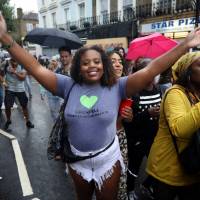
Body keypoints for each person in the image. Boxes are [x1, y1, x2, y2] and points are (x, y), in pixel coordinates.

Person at [1, 13, 200, 199]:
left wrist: (185, 46)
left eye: (97, 61)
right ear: (78, 66)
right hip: (77, 160)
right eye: (86, 62)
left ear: (104, 65)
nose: (92, 65)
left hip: (107, 160)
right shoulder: (66, 85)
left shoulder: (118, 86)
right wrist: (4, 36)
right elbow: (34, 67)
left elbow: (151, 70)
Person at [146, 52, 200, 200]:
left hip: (193, 171)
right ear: (187, 71)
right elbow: (179, 129)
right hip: (168, 170)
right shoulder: (175, 93)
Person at [124, 58, 162, 200]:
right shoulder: (134, 93)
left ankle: (146, 186)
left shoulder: (159, 89)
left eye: (155, 71)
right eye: (148, 71)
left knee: (157, 166)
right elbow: (128, 122)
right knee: (134, 168)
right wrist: (147, 113)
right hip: (137, 139)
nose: (152, 75)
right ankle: (130, 191)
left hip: (155, 137)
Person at [107, 50, 133, 200]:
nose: (118, 65)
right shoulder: (99, 89)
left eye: (120, 61)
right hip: (103, 141)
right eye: (113, 61)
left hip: (120, 137)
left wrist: (129, 117)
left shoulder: (126, 87)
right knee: (104, 179)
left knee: (121, 178)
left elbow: (128, 119)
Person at [1, 57, 34, 130]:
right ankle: (8, 120)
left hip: (20, 89)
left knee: (24, 106)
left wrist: (14, 72)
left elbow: (23, 78)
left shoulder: (22, 64)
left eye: (16, 63)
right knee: (7, 106)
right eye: (13, 62)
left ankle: (27, 121)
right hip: (9, 88)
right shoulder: (5, 63)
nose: (14, 64)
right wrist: (3, 82)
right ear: (11, 60)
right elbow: (1, 74)